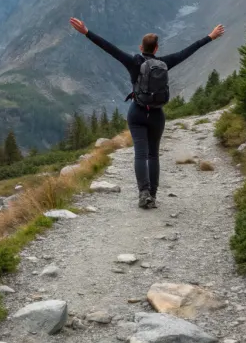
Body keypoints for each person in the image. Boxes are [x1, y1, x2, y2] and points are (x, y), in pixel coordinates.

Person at [69, 17, 225, 208]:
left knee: (140, 155)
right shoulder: (164, 63)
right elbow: (187, 51)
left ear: (141, 48)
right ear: (156, 49)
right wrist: (210, 37)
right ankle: (153, 194)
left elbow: (109, 48)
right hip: (157, 115)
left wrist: (86, 32)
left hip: (137, 112)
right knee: (153, 155)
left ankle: (143, 194)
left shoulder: (133, 62)